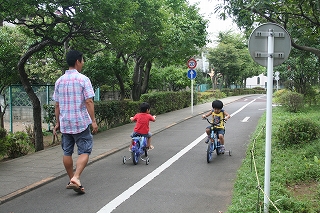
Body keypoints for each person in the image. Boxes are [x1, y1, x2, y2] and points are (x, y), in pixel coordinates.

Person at [53, 49, 98, 194]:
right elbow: (89, 101)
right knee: (84, 150)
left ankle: (73, 179)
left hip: (65, 123)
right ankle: (76, 177)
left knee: (67, 152)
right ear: (77, 61)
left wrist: (58, 122)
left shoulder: (59, 81)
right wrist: (93, 120)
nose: (83, 63)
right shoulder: (83, 79)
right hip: (80, 123)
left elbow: (57, 104)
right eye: (82, 60)